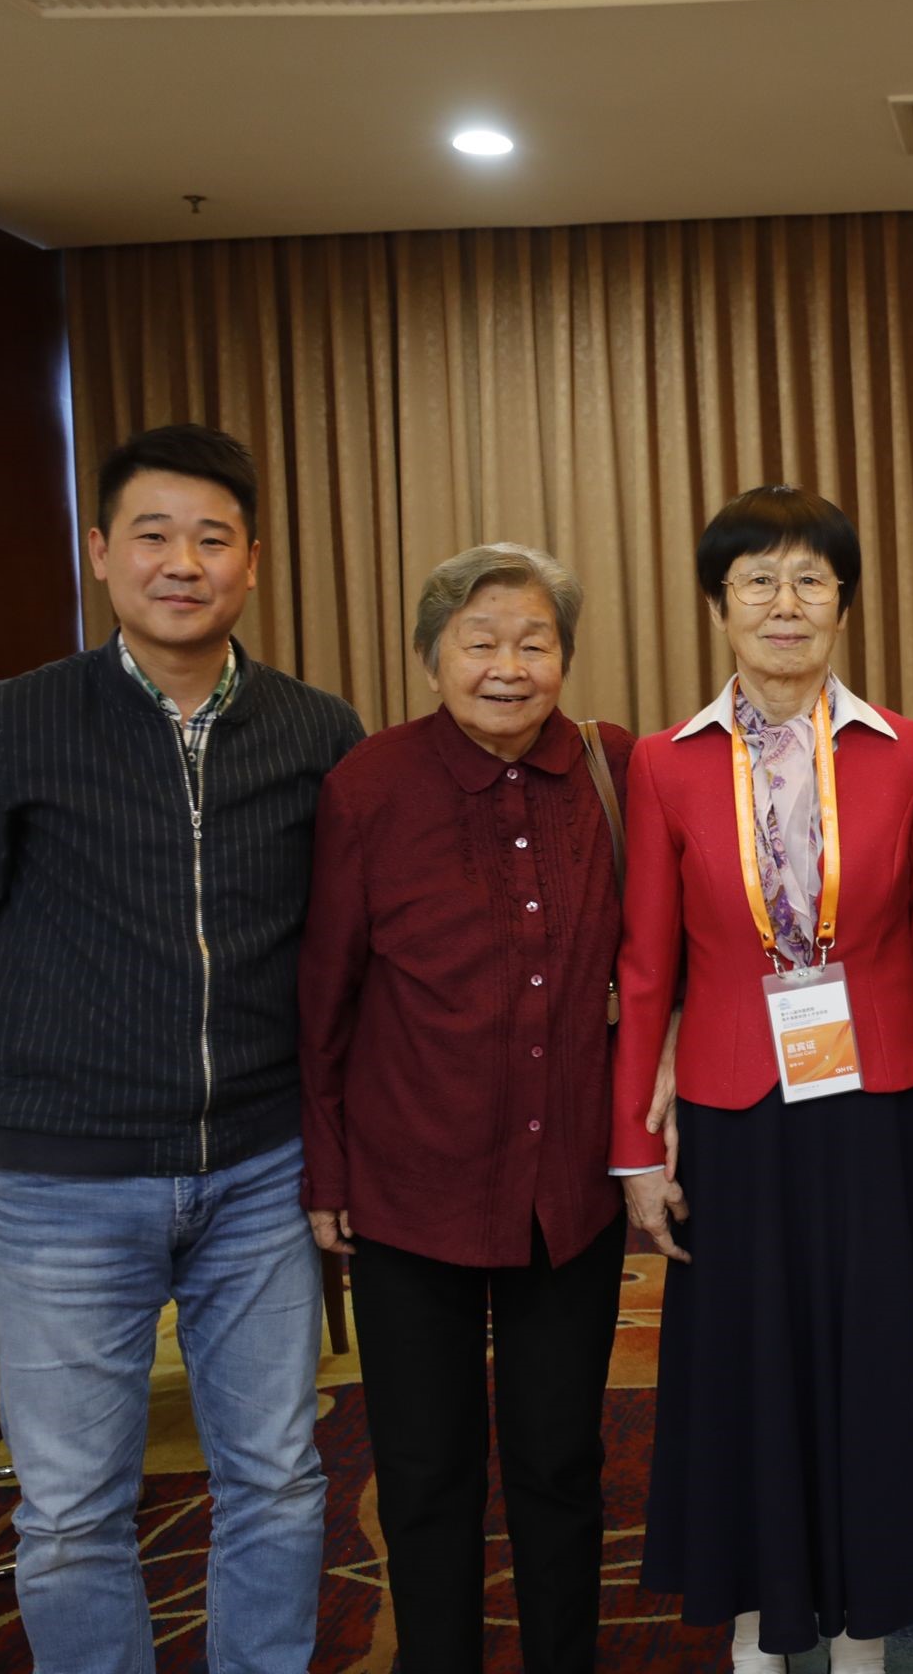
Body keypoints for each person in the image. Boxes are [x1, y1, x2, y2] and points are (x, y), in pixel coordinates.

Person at [0, 424, 365, 1674]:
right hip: (64, 1181)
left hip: (258, 1166)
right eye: (153, 535)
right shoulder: (9, 723)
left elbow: (342, 930)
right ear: (102, 552)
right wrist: (58, 1023)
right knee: (69, 1509)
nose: (182, 563)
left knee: (276, 1473)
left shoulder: (317, 731)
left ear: (252, 561)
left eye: (212, 538)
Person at [613, 486, 913, 1673]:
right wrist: (634, 1149)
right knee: (750, 1369)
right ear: (718, 604)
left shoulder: (907, 749)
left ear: (844, 600)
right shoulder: (664, 764)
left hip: (882, 1097)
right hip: (734, 1106)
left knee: (878, 1359)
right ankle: (755, 1629)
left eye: (810, 581)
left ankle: (867, 1633)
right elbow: (647, 964)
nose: (784, 604)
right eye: (757, 582)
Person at [298, 543, 630, 1674]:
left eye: (535, 643)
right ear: (431, 655)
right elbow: (326, 993)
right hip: (411, 1185)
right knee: (424, 1471)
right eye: (479, 642)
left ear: (564, 658)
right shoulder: (370, 786)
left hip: (568, 1191)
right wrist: (327, 1168)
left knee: (560, 1462)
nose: (507, 666)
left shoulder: (612, 769)